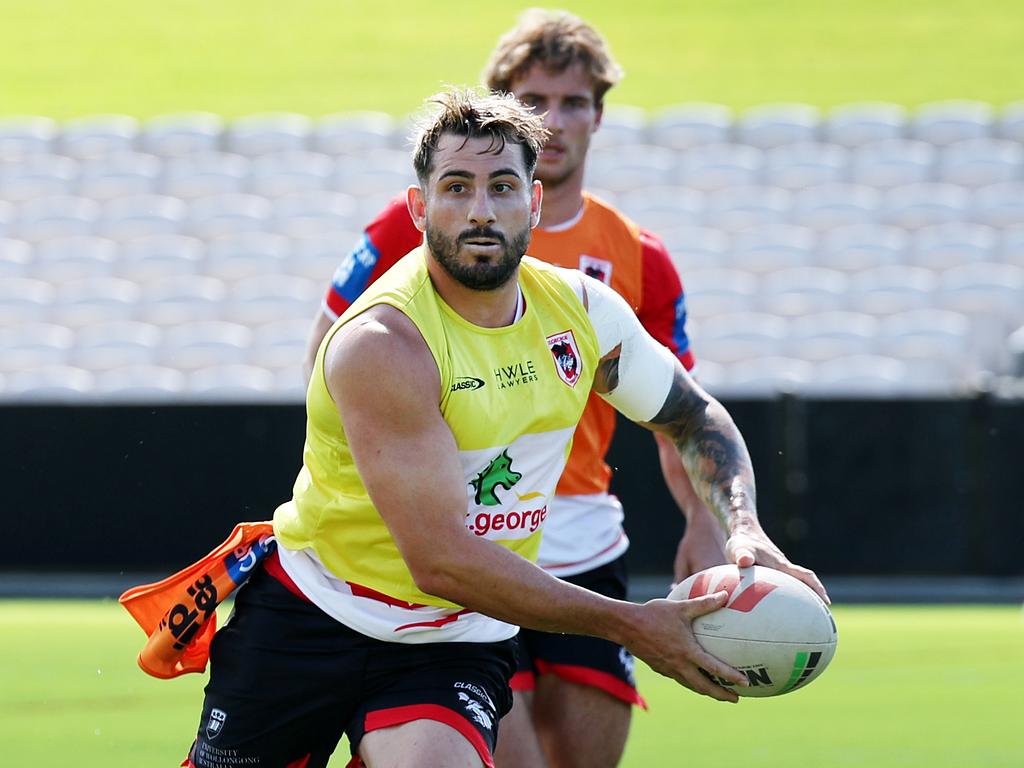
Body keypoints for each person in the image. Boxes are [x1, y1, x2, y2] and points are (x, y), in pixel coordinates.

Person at [178, 88, 827, 768]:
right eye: (456, 187)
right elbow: (440, 560)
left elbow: (693, 417)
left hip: (452, 640)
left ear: (535, 203)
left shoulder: (582, 313)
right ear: (419, 208)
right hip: (315, 615)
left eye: (503, 187)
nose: (481, 210)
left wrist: (742, 524)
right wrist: (635, 627)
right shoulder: (384, 342)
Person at [303, 10, 729, 766]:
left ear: (600, 114)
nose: (556, 121)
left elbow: (681, 410)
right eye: (536, 102)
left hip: (583, 535)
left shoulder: (637, 255)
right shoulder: (418, 228)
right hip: (462, 533)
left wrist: (705, 520)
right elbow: (331, 353)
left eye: (575, 103)